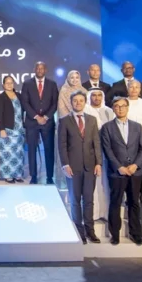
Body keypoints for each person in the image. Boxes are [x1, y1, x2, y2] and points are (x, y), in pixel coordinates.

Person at [100, 97, 142, 246]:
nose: (120, 109)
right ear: (113, 109)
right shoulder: (107, 127)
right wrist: (119, 167)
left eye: (123, 106)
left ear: (127, 108)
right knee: (115, 203)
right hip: (117, 173)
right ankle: (115, 235)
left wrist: (135, 165)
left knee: (134, 203)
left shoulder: (137, 127)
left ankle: (135, 234)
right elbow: (107, 149)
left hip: (134, 172)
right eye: (117, 106)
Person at [59, 91, 101, 244]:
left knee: (89, 200)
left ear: (85, 102)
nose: (78, 103)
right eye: (75, 100)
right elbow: (62, 145)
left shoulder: (92, 120)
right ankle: (79, 232)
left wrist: (99, 163)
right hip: (73, 167)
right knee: (75, 200)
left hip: (90, 166)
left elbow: (96, 143)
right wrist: (65, 164)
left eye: (81, 100)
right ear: (71, 103)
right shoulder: (64, 121)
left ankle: (90, 231)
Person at [20, 61, 58, 185]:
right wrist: (36, 117)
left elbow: (55, 103)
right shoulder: (27, 84)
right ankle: (33, 176)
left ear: (45, 70)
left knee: (49, 150)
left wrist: (46, 117)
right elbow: (25, 102)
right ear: (34, 69)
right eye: (37, 68)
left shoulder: (52, 84)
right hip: (32, 122)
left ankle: (49, 177)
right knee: (32, 150)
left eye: (42, 68)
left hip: (48, 123)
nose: (40, 70)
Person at [85, 89, 114, 226]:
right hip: (90, 150)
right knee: (93, 182)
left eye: (99, 95)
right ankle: (94, 213)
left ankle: (105, 212)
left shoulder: (109, 111)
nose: (96, 98)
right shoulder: (85, 110)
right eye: (94, 95)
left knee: (105, 182)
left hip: (106, 150)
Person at [0, 75, 24, 183]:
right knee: (7, 153)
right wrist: (1, 129)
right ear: (3, 84)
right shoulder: (1, 97)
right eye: (7, 83)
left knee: (18, 153)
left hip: (19, 129)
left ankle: (18, 175)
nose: (9, 84)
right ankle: (8, 175)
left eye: (11, 82)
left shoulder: (19, 96)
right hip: (7, 130)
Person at [57, 70, 87, 178]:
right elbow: (62, 109)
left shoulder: (84, 91)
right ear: (68, 79)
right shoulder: (63, 91)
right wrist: (72, 121)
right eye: (72, 77)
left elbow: (87, 110)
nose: (74, 80)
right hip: (69, 125)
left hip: (83, 125)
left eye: (77, 77)